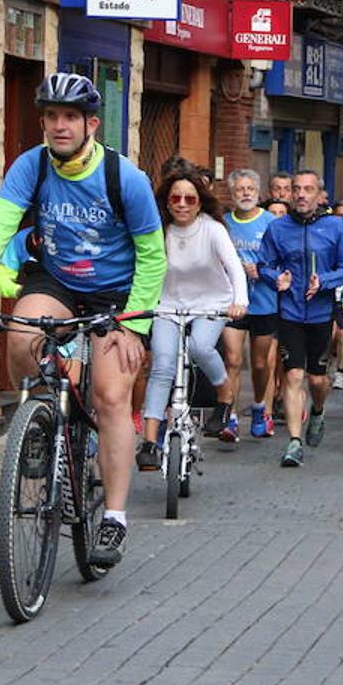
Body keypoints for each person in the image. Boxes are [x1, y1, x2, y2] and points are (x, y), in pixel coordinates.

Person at [0, 72, 165, 569]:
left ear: (91, 123)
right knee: (21, 335)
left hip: (116, 292)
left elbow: (153, 255)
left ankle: (113, 517)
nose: (59, 126)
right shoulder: (32, 166)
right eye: (51, 117)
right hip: (57, 279)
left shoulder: (123, 177)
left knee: (111, 396)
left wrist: (134, 325)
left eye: (70, 117)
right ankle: (44, 418)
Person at [136, 167, 248, 468]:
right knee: (161, 364)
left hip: (212, 303)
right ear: (167, 201)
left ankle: (224, 394)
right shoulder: (159, 229)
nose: (182, 204)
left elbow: (235, 269)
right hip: (168, 305)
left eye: (190, 198)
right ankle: (149, 442)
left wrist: (240, 301)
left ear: (200, 202)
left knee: (200, 347)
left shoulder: (212, 229)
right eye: (176, 198)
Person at [258, 169, 343, 467]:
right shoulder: (278, 228)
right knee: (293, 375)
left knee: (316, 380)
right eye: (296, 189)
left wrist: (324, 281)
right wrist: (278, 277)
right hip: (289, 312)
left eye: (307, 189)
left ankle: (318, 410)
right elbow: (263, 265)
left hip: (321, 313)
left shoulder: (336, 227)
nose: (301, 194)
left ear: (318, 195)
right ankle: (294, 441)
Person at [222, 168, 280, 440]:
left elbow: (284, 259)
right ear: (232, 193)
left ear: (258, 193)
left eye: (250, 189)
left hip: (264, 301)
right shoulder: (223, 224)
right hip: (233, 302)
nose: (245, 193)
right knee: (232, 360)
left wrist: (263, 270)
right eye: (240, 189)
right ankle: (230, 418)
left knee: (259, 364)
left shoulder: (272, 223)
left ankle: (259, 406)